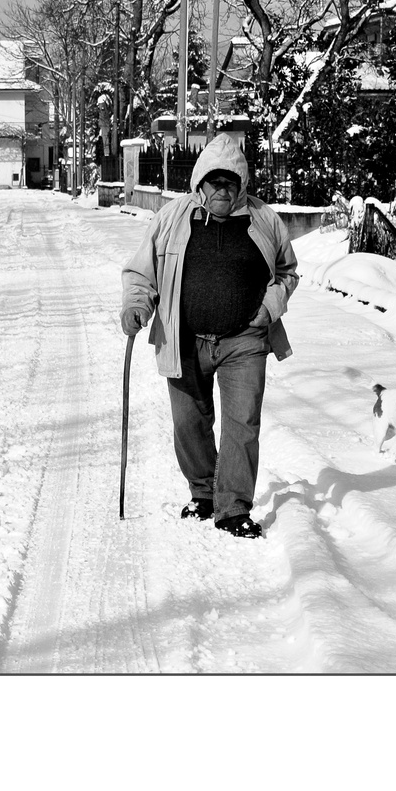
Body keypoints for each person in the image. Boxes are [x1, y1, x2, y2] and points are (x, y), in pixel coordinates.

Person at [120, 132, 299, 539]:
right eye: (214, 180)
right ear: (199, 181)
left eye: (230, 181)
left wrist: (269, 308)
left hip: (245, 341)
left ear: (241, 184)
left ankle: (233, 508)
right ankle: (203, 493)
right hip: (183, 339)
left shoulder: (264, 219)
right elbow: (141, 272)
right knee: (189, 423)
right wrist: (136, 307)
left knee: (242, 423)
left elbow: (287, 272)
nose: (222, 188)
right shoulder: (170, 218)